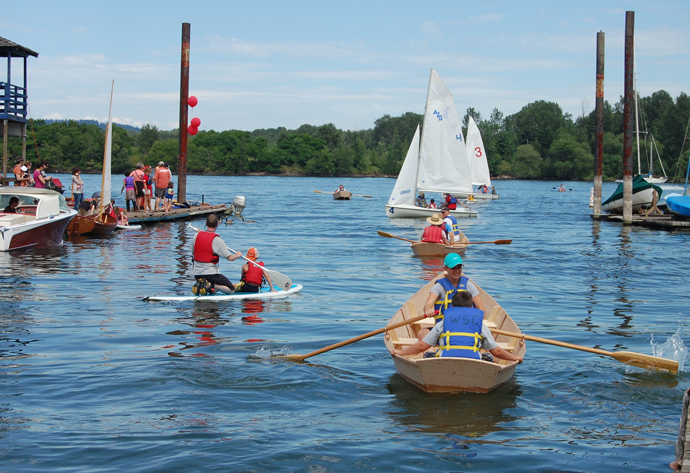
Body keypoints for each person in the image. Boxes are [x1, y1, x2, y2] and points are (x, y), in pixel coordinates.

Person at [391, 291, 523, 365]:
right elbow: (498, 351)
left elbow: (421, 346)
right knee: (490, 357)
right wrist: (514, 357)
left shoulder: (443, 322)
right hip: (474, 363)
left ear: (452, 307)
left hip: (445, 361)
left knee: (428, 353)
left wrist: (401, 352)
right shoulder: (479, 324)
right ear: (472, 307)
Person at [418, 253, 486, 332]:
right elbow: (428, 304)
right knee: (422, 333)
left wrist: (474, 323)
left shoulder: (469, 286)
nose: (457, 271)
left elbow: (481, 309)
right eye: (453, 268)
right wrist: (428, 310)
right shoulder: (439, 286)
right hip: (444, 328)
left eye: (459, 267)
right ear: (445, 268)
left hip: (466, 327)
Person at [190, 214, 243, 295]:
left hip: (197, 274)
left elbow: (193, 252)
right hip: (211, 274)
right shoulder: (217, 240)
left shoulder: (196, 236)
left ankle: (205, 286)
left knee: (213, 291)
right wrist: (238, 255)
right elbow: (230, 258)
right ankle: (210, 285)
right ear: (217, 224)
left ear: (206, 223)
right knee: (231, 289)